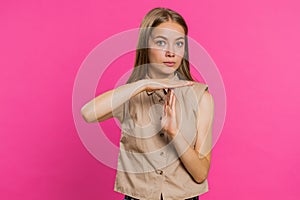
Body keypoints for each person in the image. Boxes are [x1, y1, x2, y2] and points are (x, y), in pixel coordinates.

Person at [81, 7, 214, 200]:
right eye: (161, 42)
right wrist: (143, 84)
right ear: (145, 46)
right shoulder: (130, 95)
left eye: (178, 44)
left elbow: (201, 173)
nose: (171, 52)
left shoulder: (201, 97)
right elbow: (88, 113)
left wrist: (175, 134)